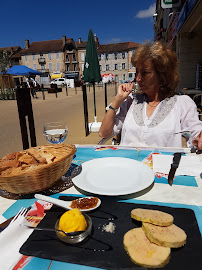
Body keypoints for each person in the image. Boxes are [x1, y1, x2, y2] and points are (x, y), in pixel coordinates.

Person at [99, 41, 202, 150]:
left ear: (162, 75)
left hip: (162, 166)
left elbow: (196, 133)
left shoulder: (182, 104)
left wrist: (198, 139)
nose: (138, 78)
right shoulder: (131, 101)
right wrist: (117, 101)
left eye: (145, 73)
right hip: (127, 165)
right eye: (137, 72)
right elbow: (103, 133)